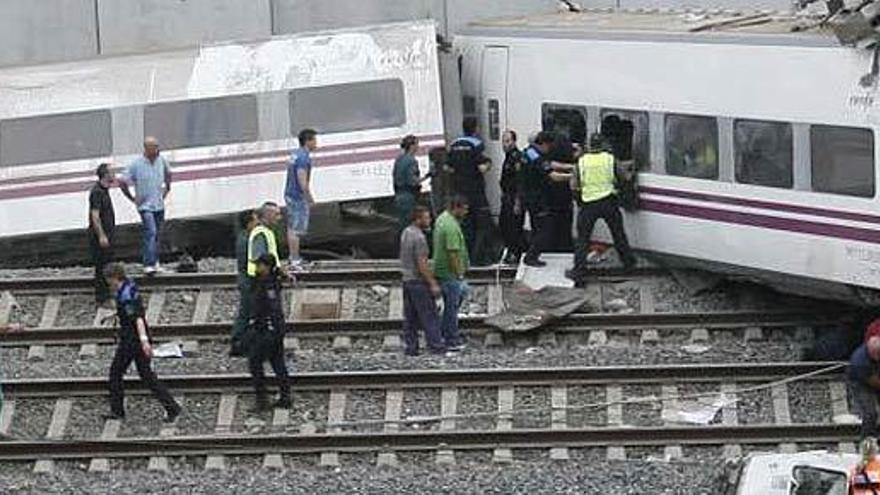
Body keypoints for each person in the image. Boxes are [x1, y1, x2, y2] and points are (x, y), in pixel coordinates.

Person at [104, 263, 181, 422]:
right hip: (136, 338)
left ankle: (117, 411)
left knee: (115, 373)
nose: (108, 283)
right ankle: (172, 407)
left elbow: (138, 318)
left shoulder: (126, 296)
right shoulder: (129, 287)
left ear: (114, 278)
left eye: (109, 280)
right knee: (147, 376)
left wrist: (144, 341)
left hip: (132, 340)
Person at [569, 133, 637, 286]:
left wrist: (579, 200)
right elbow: (625, 177)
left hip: (588, 204)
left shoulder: (582, 162)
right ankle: (629, 264)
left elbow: (573, 185)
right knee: (618, 234)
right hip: (609, 202)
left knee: (583, 239)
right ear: (602, 145)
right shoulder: (609, 159)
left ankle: (579, 271)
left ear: (589, 146)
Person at [119, 137, 171, 275]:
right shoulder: (136, 164)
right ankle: (148, 264)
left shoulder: (161, 160)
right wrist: (132, 198)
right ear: (147, 149)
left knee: (158, 234)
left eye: (157, 146)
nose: (157, 149)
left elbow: (168, 173)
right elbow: (122, 181)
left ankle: (155, 261)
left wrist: (167, 188)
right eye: (154, 147)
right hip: (145, 206)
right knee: (151, 232)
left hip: (159, 204)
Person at [246, 253, 292, 411]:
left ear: (266, 266)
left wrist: (260, 324)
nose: (257, 267)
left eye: (260, 265)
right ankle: (285, 396)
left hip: (267, 329)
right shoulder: (271, 280)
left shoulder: (267, 284)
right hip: (276, 328)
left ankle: (262, 400)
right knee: (277, 362)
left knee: (255, 362)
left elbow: (270, 307)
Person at [520, 131, 572, 267]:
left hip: (529, 196)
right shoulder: (536, 157)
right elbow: (553, 175)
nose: (549, 149)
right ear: (543, 144)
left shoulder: (529, 152)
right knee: (545, 229)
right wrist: (573, 177)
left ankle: (533, 254)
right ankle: (531, 257)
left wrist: (571, 167)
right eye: (549, 146)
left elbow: (551, 164)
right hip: (536, 198)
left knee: (537, 227)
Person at [400, 206, 446, 356]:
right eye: (426, 218)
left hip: (406, 280)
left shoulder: (406, 232)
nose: (429, 220)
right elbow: (422, 263)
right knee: (430, 316)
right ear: (418, 219)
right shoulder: (419, 238)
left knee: (410, 318)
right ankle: (436, 346)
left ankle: (411, 348)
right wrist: (433, 283)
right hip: (418, 282)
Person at [447, 117, 493, 266]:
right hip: (475, 191)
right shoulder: (476, 144)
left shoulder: (454, 144)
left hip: (459, 191)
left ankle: (464, 258)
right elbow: (482, 168)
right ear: (475, 129)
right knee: (482, 224)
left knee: (465, 225)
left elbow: (448, 167)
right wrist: (488, 164)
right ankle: (478, 259)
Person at [432, 196, 471, 351]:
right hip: (450, 273)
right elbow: (452, 252)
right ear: (457, 208)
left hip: (443, 271)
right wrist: (459, 273)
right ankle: (451, 339)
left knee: (454, 301)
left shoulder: (443, 218)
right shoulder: (450, 226)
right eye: (465, 209)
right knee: (451, 308)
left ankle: (443, 333)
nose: (466, 212)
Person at [286, 129, 318, 272]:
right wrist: (309, 198)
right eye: (314, 140)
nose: (316, 143)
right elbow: (302, 180)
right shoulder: (304, 158)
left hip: (290, 193)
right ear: (308, 141)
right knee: (296, 230)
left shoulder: (295, 154)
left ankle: (293, 257)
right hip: (297, 196)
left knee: (292, 228)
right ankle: (295, 260)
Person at [230, 209, 258, 356]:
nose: (257, 222)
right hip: (248, 281)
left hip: (245, 280)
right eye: (254, 220)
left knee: (246, 313)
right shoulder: (247, 240)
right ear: (248, 223)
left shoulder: (244, 237)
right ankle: (238, 341)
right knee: (246, 313)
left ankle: (240, 341)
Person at [88, 163, 116, 307]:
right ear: (105, 175)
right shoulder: (97, 192)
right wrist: (101, 235)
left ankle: (108, 295)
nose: (114, 174)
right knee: (102, 266)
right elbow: (95, 216)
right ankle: (102, 298)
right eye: (112, 172)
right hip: (100, 236)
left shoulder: (104, 191)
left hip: (107, 234)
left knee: (107, 264)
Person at [499, 130, 526, 265]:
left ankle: (517, 254)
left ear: (514, 141)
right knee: (504, 226)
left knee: (514, 228)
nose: (505, 144)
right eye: (503, 141)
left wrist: (518, 202)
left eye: (508, 141)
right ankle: (512, 251)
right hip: (507, 197)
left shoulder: (516, 157)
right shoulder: (508, 157)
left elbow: (520, 182)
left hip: (514, 198)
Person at [850, 336, 880, 438]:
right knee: (870, 413)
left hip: (875, 375)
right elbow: (874, 382)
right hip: (861, 383)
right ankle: (868, 438)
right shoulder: (860, 361)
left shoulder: (875, 348)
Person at [393, 135, 423, 234]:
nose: (418, 147)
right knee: (410, 226)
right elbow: (413, 181)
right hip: (408, 197)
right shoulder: (412, 161)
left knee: (402, 225)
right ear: (412, 146)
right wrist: (426, 177)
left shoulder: (399, 159)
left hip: (398, 196)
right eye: (416, 144)